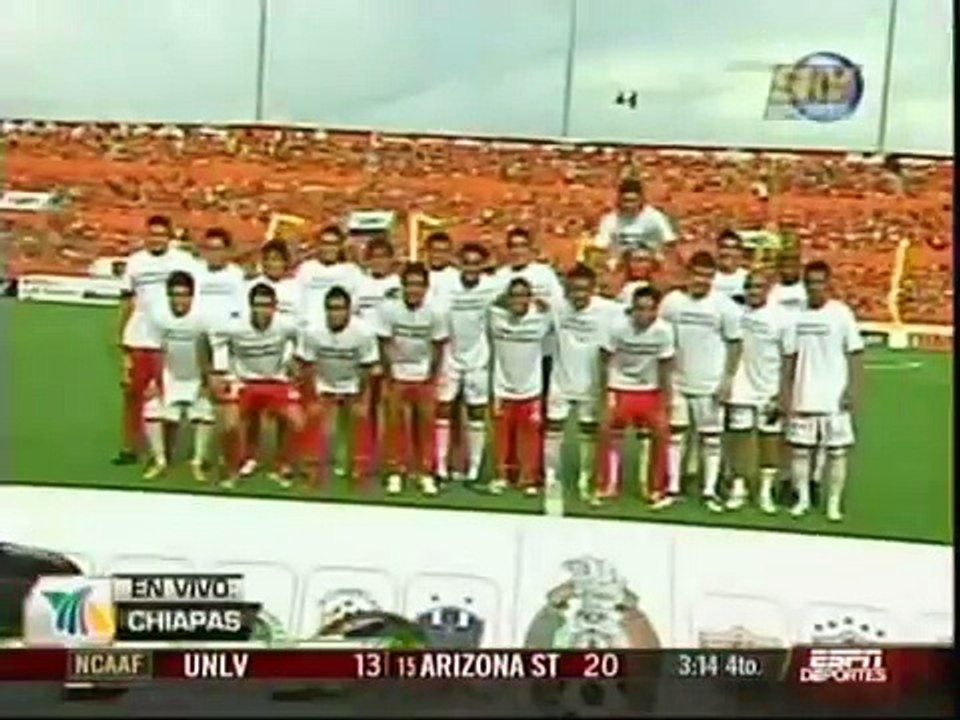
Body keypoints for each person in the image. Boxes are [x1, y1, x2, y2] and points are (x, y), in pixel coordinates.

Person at [659, 251, 743, 511]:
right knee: (676, 435)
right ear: (688, 274)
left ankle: (708, 491)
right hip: (678, 380)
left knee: (711, 437)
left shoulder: (724, 306)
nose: (702, 281)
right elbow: (661, 338)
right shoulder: (672, 302)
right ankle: (673, 487)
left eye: (708, 276)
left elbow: (735, 343)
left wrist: (727, 379)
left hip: (710, 381)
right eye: (697, 274)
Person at [782, 261, 864, 522]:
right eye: (810, 283)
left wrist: (852, 389)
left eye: (820, 282)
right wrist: (786, 392)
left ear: (828, 284)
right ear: (804, 285)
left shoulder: (841, 314)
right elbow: (790, 357)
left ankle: (833, 503)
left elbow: (854, 354)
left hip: (833, 398)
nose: (815, 288)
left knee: (837, 452)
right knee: (800, 451)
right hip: (803, 394)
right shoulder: (796, 316)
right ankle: (803, 500)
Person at [114, 214, 197, 465]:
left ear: (169, 237)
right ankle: (131, 446)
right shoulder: (135, 262)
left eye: (161, 234)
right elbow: (127, 300)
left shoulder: (183, 261)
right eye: (152, 234)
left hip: (170, 338)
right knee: (133, 395)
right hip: (139, 336)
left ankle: (166, 449)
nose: (156, 239)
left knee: (168, 394)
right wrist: (120, 333)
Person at [209, 283, 303, 489]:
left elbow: (302, 339)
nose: (262, 310)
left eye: (267, 305)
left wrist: (295, 360)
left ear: (275, 306)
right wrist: (217, 373)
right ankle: (232, 467)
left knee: (297, 421)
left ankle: (283, 463)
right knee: (230, 424)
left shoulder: (286, 325)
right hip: (244, 382)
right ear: (250, 306)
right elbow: (212, 341)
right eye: (258, 305)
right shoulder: (234, 326)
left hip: (275, 381)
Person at [723, 270, 796, 514]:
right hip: (741, 385)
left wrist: (783, 392)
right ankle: (739, 486)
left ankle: (765, 490)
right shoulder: (736, 313)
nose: (753, 292)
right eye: (749, 287)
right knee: (740, 438)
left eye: (758, 287)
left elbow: (788, 357)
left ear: (768, 289)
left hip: (769, 387)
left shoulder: (783, 318)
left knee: (769, 440)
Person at [544, 264, 617, 501]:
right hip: (561, 379)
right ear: (566, 289)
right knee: (554, 427)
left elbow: (638, 309)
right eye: (574, 290)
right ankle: (551, 476)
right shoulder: (556, 306)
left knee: (588, 431)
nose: (579, 295)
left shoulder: (608, 310)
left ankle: (585, 477)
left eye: (584, 290)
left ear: (593, 289)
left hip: (591, 383)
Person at [598, 284, 675, 507]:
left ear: (656, 310)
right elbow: (604, 359)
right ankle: (609, 484)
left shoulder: (664, 330)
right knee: (608, 431)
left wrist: (666, 400)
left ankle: (655, 487)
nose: (644, 315)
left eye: (649, 310)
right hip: (619, 387)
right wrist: (603, 395)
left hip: (649, 390)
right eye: (639, 309)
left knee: (661, 433)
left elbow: (665, 366)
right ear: (632, 308)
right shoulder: (617, 327)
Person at [376, 262, 449, 496]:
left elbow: (439, 345)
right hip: (398, 373)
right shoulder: (389, 309)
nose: (414, 290)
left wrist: (432, 375)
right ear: (403, 286)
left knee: (425, 425)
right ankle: (396, 471)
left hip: (424, 373)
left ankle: (425, 472)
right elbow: (384, 342)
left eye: (419, 285)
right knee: (395, 425)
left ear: (426, 288)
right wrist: (389, 375)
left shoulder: (436, 311)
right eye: (410, 285)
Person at [296, 286, 379, 487]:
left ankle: (359, 467)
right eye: (332, 309)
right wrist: (312, 397)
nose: (336, 314)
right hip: (324, 383)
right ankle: (313, 466)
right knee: (316, 419)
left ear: (349, 311)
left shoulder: (364, 332)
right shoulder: (312, 331)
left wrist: (363, 398)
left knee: (360, 418)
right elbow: (306, 365)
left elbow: (369, 367)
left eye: (340, 309)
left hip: (352, 383)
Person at [141, 271, 215, 482]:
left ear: (192, 296)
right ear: (169, 296)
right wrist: (157, 382)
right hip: (170, 375)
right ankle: (160, 460)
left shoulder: (201, 318)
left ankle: (197, 462)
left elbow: (206, 350)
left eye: (184, 295)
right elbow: (157, 351)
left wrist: (205, 381)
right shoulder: (159, 317)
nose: (180, 300)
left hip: (194, 376)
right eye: (175, 295)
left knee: (205, 413)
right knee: (152, 409)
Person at [435, 243, 500, 484]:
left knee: (476, 411)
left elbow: (514, 293)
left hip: (478, 358)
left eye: (476, 263)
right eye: (467, 262)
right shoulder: (446, 285)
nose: (471, 268)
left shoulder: (491, 286)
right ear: (459, 263)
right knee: (443, 408)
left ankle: (474, 468)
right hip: (450, 356)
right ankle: (441, 465)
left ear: (482, 265)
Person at [239, 239, 300, 479]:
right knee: (251, 415)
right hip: (255, 357)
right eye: (269, 259)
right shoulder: (250, 286)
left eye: (278, 259)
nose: (273, 264)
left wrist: (296, 357)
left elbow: (301, 324)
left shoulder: (295, 288)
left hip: (284, 358)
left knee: (285, 416)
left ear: (286, 263)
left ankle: (283, 460)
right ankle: (250, 457)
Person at [488, 277, 554, 496]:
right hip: (502, 387)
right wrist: (502, 300)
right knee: (502, 435)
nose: (519, 300)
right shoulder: (495, 316)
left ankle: (529, 478)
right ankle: (501, 476)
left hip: (531, 388)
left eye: (523, 295)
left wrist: (543, 305)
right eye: (514, 295)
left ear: (530, 298)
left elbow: (559, 314)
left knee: (529, 436)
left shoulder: (541, 318)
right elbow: (489, 302)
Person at [594, 178, 677, 265]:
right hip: (620, 263)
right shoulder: (610, 220)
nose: (629, 205)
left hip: (650, 262)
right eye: (625, 201)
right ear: (619, 200)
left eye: (633, 201)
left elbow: (669, 241)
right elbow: (600, 246)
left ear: (641, 199)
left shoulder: (655, 217)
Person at [295, 225, 363, 322]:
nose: (329, 248)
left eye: (333, 244)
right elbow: (297, 299)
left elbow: (356, 303)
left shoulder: (352, 271)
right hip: (309, 329)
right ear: (318, 246)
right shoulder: (306, 268)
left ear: (340, 246)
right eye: (325, 243)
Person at [194, 227, 246, 330]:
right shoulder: (195, 272)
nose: (213, 254)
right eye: (210, 249)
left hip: (226, 330)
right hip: (199, 330)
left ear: (226, 250)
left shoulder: (237, 274)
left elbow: (240, 306)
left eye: (217, 249)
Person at [710, 230, 748, 303]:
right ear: (716, 250)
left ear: (741, 252)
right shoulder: (706, 276)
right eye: (724, 247)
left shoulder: (748, 278)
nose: (729, 252)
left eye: (734, 248)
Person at [424, 231, 459, 304]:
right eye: (435, 250)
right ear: (427, 250)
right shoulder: (417, 273)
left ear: (450, 252)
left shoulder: (457, 278)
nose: (439, 255)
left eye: (444, 251)